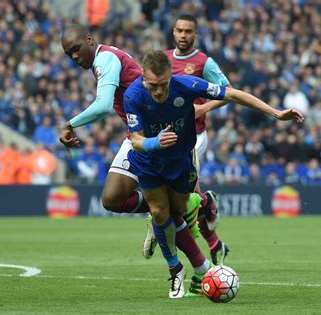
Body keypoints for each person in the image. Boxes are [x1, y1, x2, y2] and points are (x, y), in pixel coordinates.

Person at [124, 50, 304, 298]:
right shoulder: (133, 95)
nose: (158, 91)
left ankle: (199, 202)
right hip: (149, 160)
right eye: (153, 86)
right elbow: (135, 139)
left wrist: (275, 113)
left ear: (170, 77)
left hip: (179, 160)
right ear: (143, 77)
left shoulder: (185, 85)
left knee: (178, 211)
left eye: (163, 84)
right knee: (158, 211)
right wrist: (155, 143)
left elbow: (231, 93)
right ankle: (175, 269)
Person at [58, 24, 217, 296]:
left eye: (76, 49)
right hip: (140, 137)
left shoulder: (105, 58)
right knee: (112, 199)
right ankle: (171, 218)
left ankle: (198, 266)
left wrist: (69, 124)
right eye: (68, 54)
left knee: (170, 213)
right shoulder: (105, 60)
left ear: (89, 39)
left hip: (170, 137)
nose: (74, 57)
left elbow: (103, 104)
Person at [142, 14, 231, 265]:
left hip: (194, 136)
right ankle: (213, 239)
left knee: (177, 198)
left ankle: (160, 221)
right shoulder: (163, 61)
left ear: (196, 34)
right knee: (188, 199)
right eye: (179, 30)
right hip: (164, 137)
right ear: (173, 32)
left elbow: (228, 91)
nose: (183, 35)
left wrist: (204, 109)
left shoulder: (205, 62)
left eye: (188, 31)